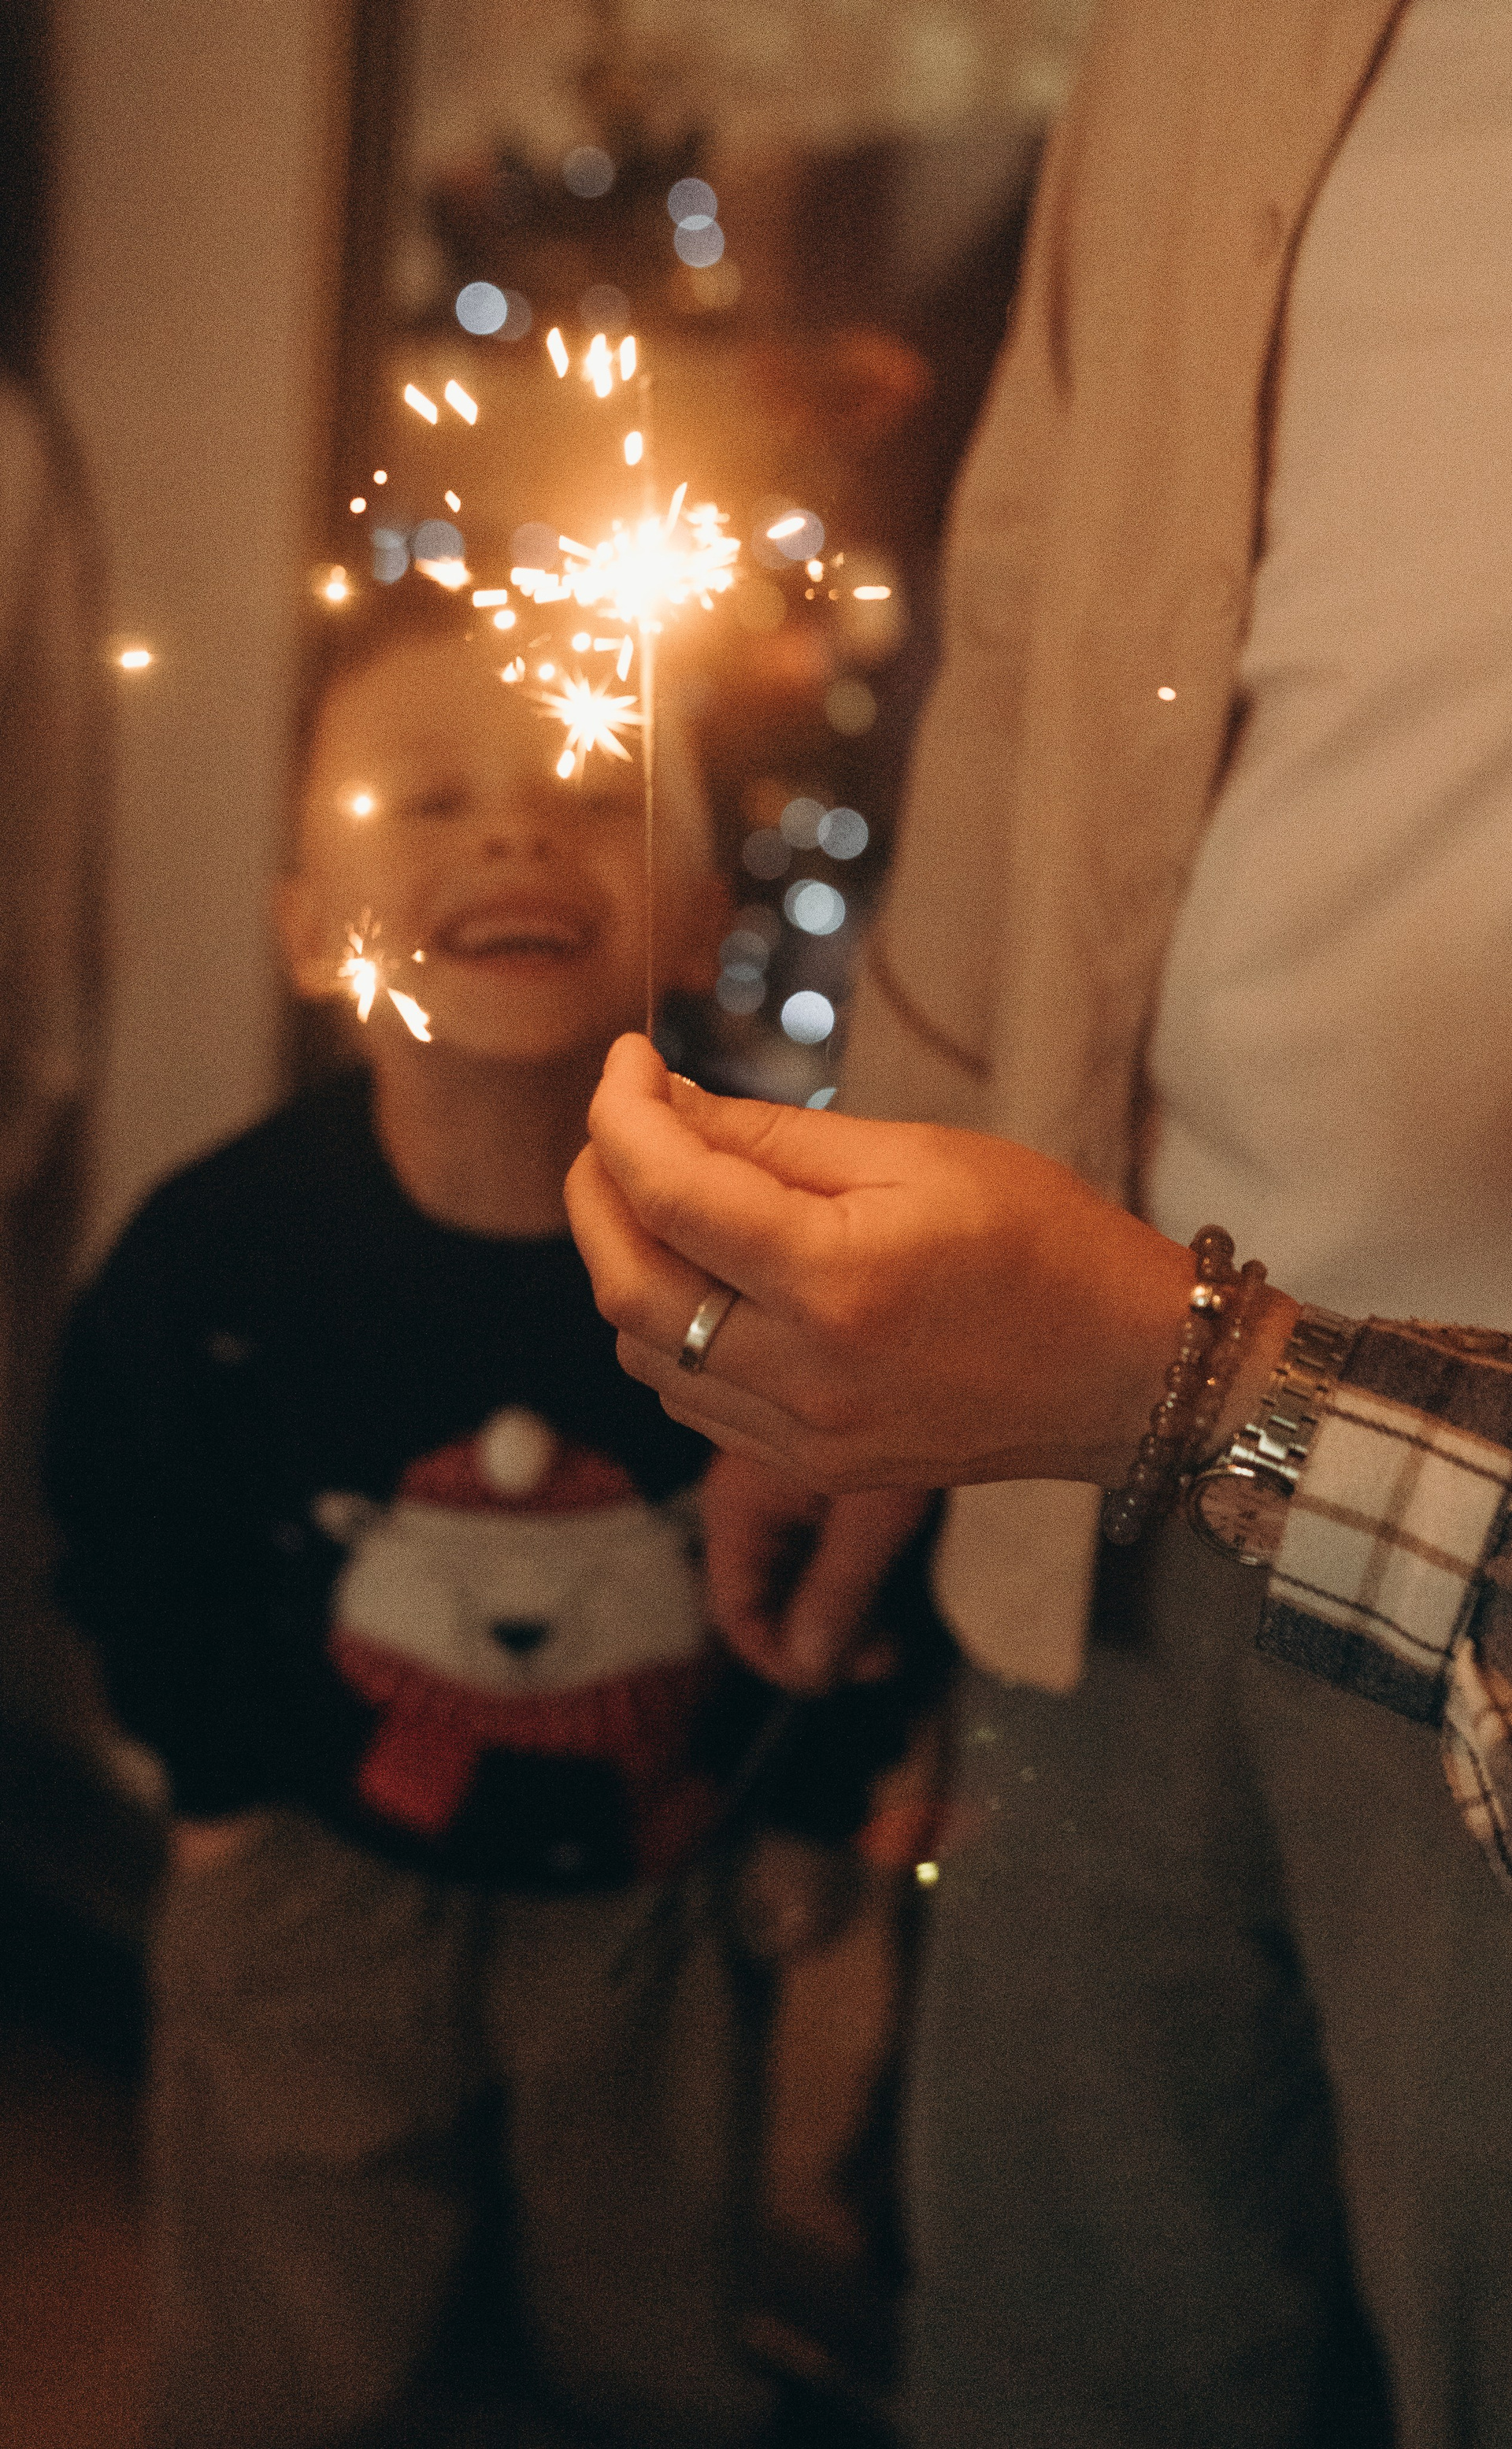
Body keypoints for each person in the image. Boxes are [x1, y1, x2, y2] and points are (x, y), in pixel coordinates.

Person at [565, 3, 1512, 2443]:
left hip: (1448, 1517)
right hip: (1099, 1473)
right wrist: (886, 1298)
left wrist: (1173, 1368)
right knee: (1060, 2335)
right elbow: (1029, 623)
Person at [44, 587, 924, 2449]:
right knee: (285, 2324)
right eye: (427, 799)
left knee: (653, 2322)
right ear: (310, 931)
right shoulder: (222, 1250)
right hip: (315, 1870)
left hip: (659, 1891)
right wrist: (212, 1784)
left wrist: (815, 1798)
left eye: (590, 791)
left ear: (700, 913)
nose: (518, 834)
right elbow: (123, 1513)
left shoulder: (775, 1251)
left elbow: (862, 1529)